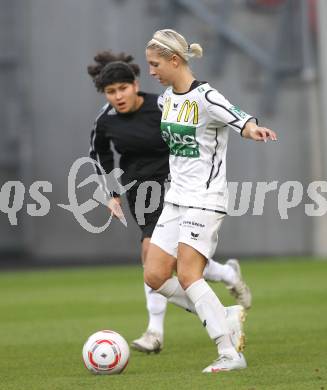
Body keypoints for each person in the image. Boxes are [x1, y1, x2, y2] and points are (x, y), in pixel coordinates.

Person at [87, 50, 252, 355]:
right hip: (140, 191)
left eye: (122, 88)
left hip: (176, 186)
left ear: (135, 84)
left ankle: (154, 331)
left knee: (156, 256)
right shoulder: (105, 121)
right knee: (173, 265)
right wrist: (111, 194)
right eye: (111, 92)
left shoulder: (161, 105)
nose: (118, 96)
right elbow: (100, 156)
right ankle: (226, 277)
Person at [144, 29, 277, 373]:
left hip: (205, 198)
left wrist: (253, 129)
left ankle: (229, 352)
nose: (152, 71)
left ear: (175, 61)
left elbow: (240, 118)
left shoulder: (206, 97)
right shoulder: (165, 99)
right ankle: (224, 313)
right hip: (176, 198)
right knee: (155, 276)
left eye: (155, 64)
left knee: (189, 275)